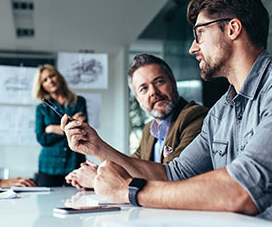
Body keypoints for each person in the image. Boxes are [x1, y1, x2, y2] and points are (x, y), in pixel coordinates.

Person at [61, 0, 272, 226]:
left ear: (233, 29)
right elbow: (173, 174)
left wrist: (130, 191)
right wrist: (97, 148)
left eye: (200, 33)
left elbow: (244, 189)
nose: (193, 47)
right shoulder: (221, 111)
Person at [65, 54, 208, 189]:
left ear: (173, 82)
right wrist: (99, 171)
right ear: (138, 98)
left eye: (159, 82)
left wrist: (97, 178)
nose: (153, 92)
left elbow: (173, 178)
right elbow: (130, 168)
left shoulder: (195, 117)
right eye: (143, 88)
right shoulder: (149, 130)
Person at [33, 64, 87, 187]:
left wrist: (52, 128)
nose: (50, 81)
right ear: (42, 86)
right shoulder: (41, 108)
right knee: (46, 204)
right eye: (45, 80)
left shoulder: (79, 102)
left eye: (52, 76)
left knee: (77, 201)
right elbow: (42, 138)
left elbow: (81, 132)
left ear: (59, 77)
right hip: (49, 166)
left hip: (74, 162)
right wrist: (69, 129)